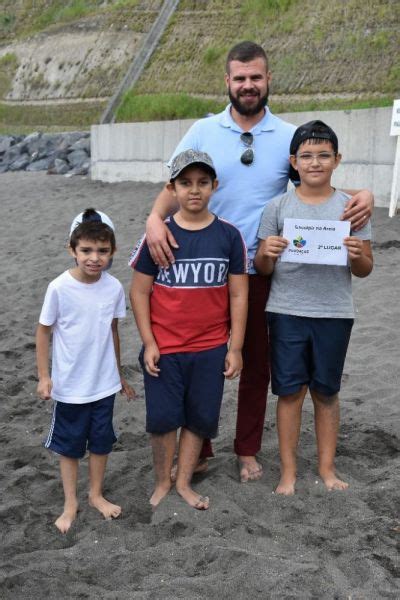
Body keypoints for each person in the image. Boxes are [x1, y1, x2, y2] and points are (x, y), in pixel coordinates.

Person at [144, 41, 374, 483]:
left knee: (255, 366)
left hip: (265, 272)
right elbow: (174, 187)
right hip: (207, 269)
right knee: (202, 360)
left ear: (269, 80)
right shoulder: (202, 131)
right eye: (239, 78)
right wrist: (154, 219)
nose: (248, 85)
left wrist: (365, 194)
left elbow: (317, 181)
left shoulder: (288, 136)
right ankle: (202, 449)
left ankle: (247, 449)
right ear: (227, 82)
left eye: (256, 77)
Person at [254, 120, 373, 494]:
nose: (315, 163)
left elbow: (366, 268)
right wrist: (266, 253)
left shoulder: (350, 208)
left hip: (335, 313)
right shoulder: (278, 206)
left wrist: (356, 256)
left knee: (326, 391)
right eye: (307, 156)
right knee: (289, 392)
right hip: (287, 310)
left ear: (337, 160)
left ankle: (326, 468)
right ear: (294, 161)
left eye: (324, 155)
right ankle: (288, 472)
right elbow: (262, 266)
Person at [129, 150, 248, 509]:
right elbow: (139, 291)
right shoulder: (159, 236)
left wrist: (236, 347)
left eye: (202, 183)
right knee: (164, 420)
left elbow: (239, 293)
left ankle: (183, 481)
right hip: (164, 347)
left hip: (210, 347)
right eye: (185, 183)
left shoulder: (229, 236)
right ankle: (163, 481)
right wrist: (148, 342)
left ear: (215, 185)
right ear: (172, 187)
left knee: (199, 417)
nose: (194, 190)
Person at [36, 208, 135, 533]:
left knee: (101, 441)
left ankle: (95, 494)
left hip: (103, 383)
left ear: (113, 251)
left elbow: (113, 332)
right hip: (70, 386)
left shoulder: (114, 288)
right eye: (86, 250)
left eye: (102, 251)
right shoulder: (59, 288)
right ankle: (70, 502)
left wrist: (118, 375)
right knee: (70, 446)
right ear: (72, 249)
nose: (95, 258)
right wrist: (44, 376)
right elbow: (43, 331)